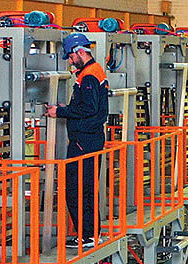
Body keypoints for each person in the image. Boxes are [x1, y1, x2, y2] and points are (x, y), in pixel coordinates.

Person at [47, 33, 109, 249]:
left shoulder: (89, 76)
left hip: (84, 140)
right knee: (86, 187)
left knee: (76, 188)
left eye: (72, 57)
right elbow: (87, 106)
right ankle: (91, 234)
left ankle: (88, 235)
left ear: (80, 52)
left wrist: (61, 112)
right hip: (89, 138)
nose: (71, 61)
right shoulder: (92, 72)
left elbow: (89, 108)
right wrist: (68, 108)